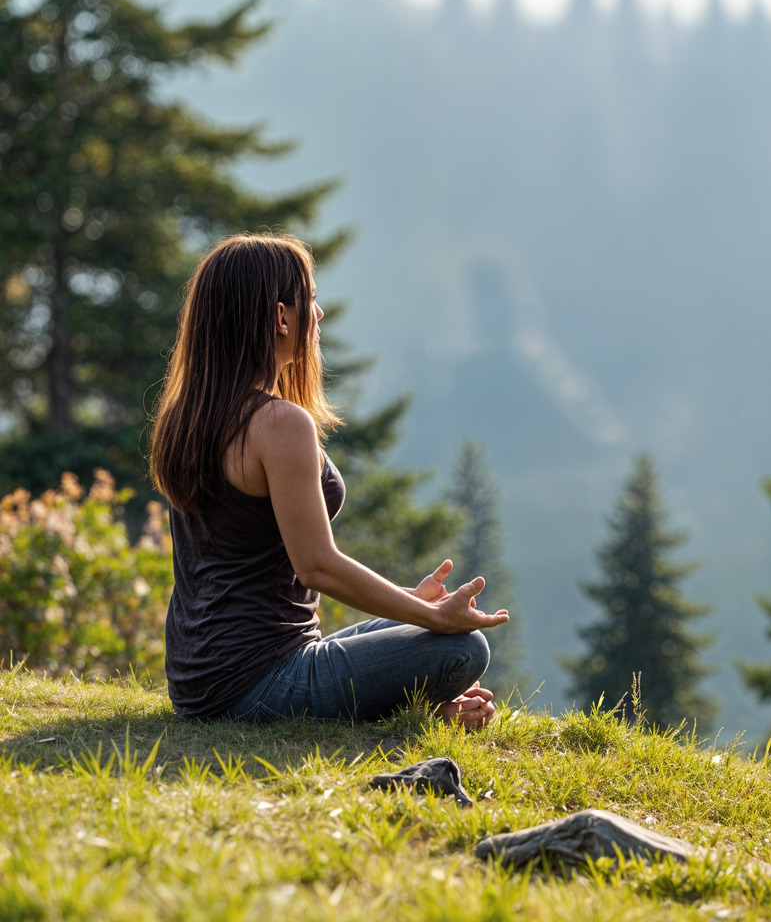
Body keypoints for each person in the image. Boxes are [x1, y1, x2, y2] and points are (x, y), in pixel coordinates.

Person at [150, 231, 509, 728]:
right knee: (464, 647)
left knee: (422, 628)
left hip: (199, 680)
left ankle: (430, 704)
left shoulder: (190, 416)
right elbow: (317, 566)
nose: (318, 315)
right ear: (281, 316)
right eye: (311, 300)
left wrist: (411, 605)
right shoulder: (277, 424)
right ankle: (428, 700)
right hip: (259, 681)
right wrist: (433, 619)